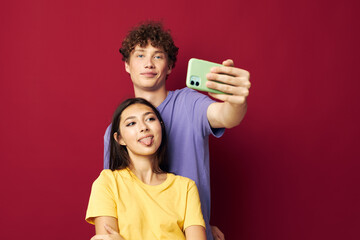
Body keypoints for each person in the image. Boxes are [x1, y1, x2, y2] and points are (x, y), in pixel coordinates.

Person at [103, 21, 251, 240]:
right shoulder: (117, 131)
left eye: (158, 56)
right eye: (140, 55)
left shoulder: (188, 103)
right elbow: (116, 196)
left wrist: (236, 102)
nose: (149, 64)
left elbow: (224, 115)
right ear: (127, 65)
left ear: (170, 66)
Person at [86, 98, 206, 240]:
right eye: (131, 123)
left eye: (150, 119)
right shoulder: (108, 182)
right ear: (120, 139)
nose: (143, 127)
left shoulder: (186, 187)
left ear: (160, 127)